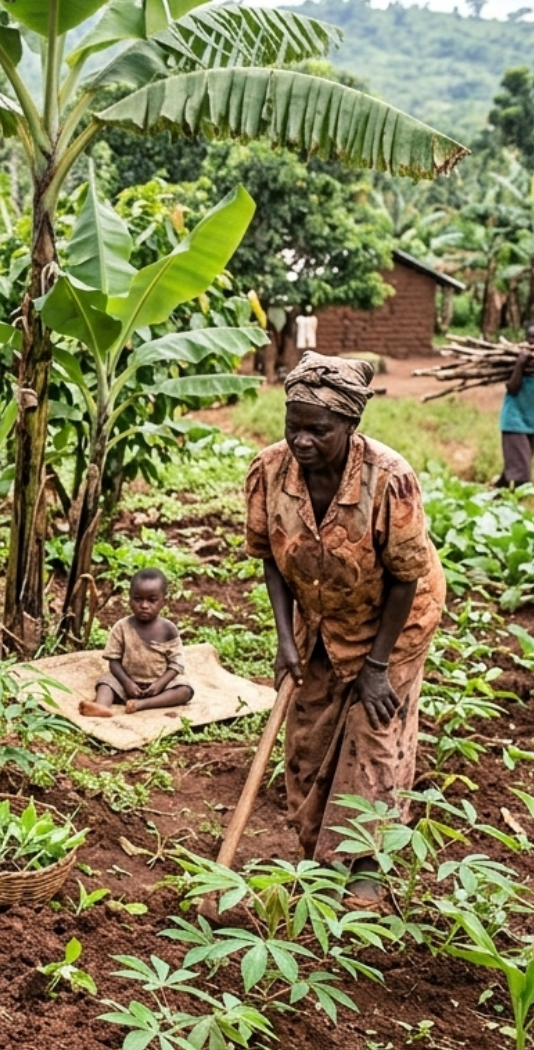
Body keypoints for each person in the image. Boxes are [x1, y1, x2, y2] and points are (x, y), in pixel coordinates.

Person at [244, 352, 445, 909]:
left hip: (393, 622)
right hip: (318, 613)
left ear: (351, 426)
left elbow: (407, 578)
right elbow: (269, 556)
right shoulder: (268, 470)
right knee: (310, 733)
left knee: (373, 734)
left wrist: (377, 668)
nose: (301, 441)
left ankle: (364, 864)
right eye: (293, 426)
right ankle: (316, 849)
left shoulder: (390, 478)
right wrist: (286, 639)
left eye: (318, 430)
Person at [81, 568, 194, 718]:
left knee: (185, 690)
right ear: (129, 599)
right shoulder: (122, 627)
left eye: (152, 600)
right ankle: (101, 706)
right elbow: (113, 661)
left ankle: (143, 704)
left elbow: (176, 664)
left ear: (164, 602)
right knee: (105, 683)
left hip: (159, 684)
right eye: (138, 599)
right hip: (127, 681)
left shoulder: (168, 629)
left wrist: (160, 684)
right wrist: (127, 683)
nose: (144, 605)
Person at [496, 323, 534, 489]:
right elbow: (512, 388)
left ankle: (497, 492)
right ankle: (520, 510)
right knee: (521, 474)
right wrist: (520, 365)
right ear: (525, 339)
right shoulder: (515, 358)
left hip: (532, 421)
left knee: (517, 463)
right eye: (532, 338)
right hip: (515, 421)